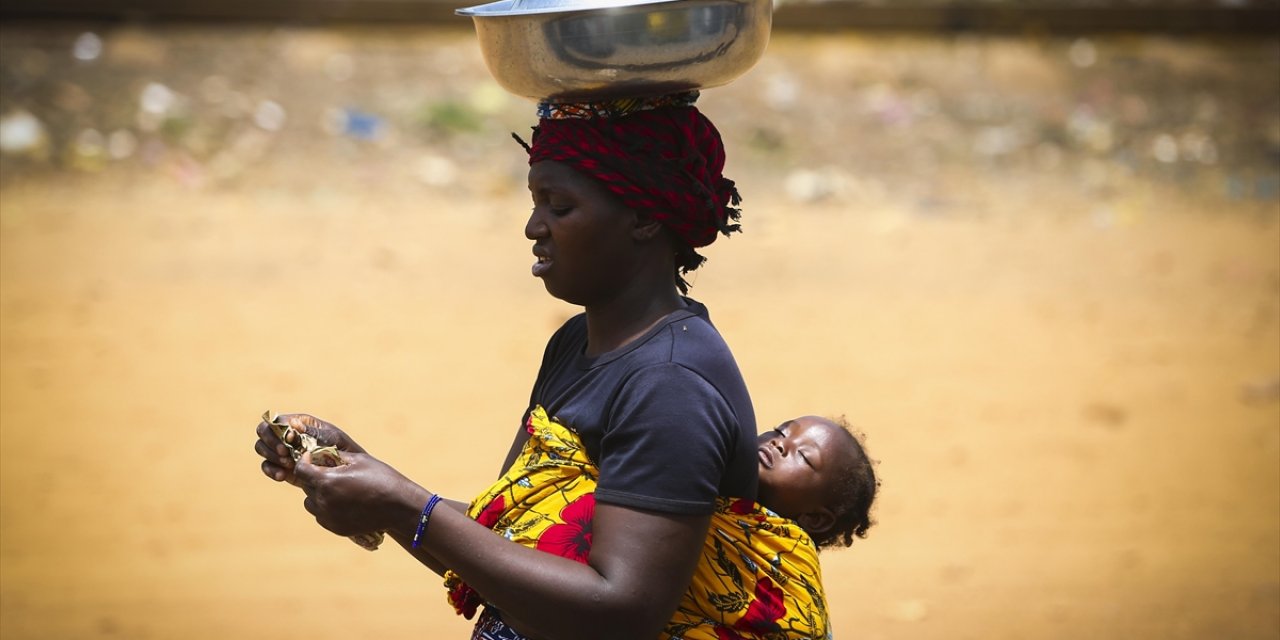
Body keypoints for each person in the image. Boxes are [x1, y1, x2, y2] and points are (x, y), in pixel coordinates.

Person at [254, 92, 759, 640]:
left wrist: (402, 505)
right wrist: (363, 472)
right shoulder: (577, 343)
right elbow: (507, 543)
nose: (533, 228)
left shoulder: (669, 383)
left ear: (641, 218)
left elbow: (622, 611)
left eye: (559, 207)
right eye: (535, 203)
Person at [442, 411, 878, 640]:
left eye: (803, 456)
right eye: (782, 431)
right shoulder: (694, 498)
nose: (781, 445)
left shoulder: (784, 564)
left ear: (816, 518)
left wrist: (411, 508)